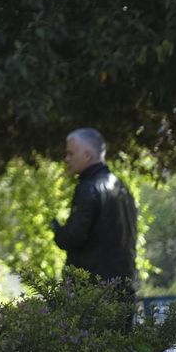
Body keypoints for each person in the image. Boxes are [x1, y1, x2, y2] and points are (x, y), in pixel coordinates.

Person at [51, 128, 138, 315]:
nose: (66, 159)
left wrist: (58, 230)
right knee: (121, 341)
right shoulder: (121, 187)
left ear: (87, 155)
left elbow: (74, 236)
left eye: (70, 153)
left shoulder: (89, 188)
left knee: (88, 342)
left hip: (93, 291)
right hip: (124, 286)